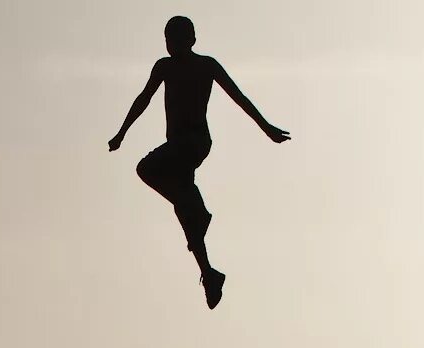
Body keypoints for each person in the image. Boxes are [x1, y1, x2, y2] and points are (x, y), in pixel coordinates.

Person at [108, 16, 291, 308]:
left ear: (191, 40)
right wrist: (122, 132)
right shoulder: (164, 67)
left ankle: (198, 210)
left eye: (177, 39)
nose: (171, 45)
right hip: (177, 147)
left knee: (146, 168)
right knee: (184, 208)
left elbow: (238, 96)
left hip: (193, 143)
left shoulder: (206, 65)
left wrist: (266, 127)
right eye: (167, 40)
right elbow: (144, 98)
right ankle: (209, 274)